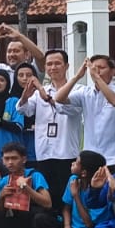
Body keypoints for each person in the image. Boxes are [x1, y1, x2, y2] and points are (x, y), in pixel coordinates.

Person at [16, 50, 82, 194]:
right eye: (49, 64)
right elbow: (24, 110)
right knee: (48, 192)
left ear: (66, 66)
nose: (53, 67)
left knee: (66, 193)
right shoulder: (40, 91)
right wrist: (24, 97)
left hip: (66, 150)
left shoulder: (78, 90)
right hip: (44, 151)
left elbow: (68, 110)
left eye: (57, 63)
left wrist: (44, 95)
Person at [54, 55, 115, 163]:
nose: (97, 71)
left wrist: (97, 77)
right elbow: (59, 98)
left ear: (113, 71)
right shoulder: (85, 93)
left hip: (114, 157)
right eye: (93, 68)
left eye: (101, 68)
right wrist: (77, 76)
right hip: (90, 157)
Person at [62, 150, 115, 228]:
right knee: (44, 220)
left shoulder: (100, 190)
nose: (72, 164)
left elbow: (89, 224)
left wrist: (76, 195)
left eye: (76, 163)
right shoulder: (73, 180)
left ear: (84, 172)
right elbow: (66, 208)